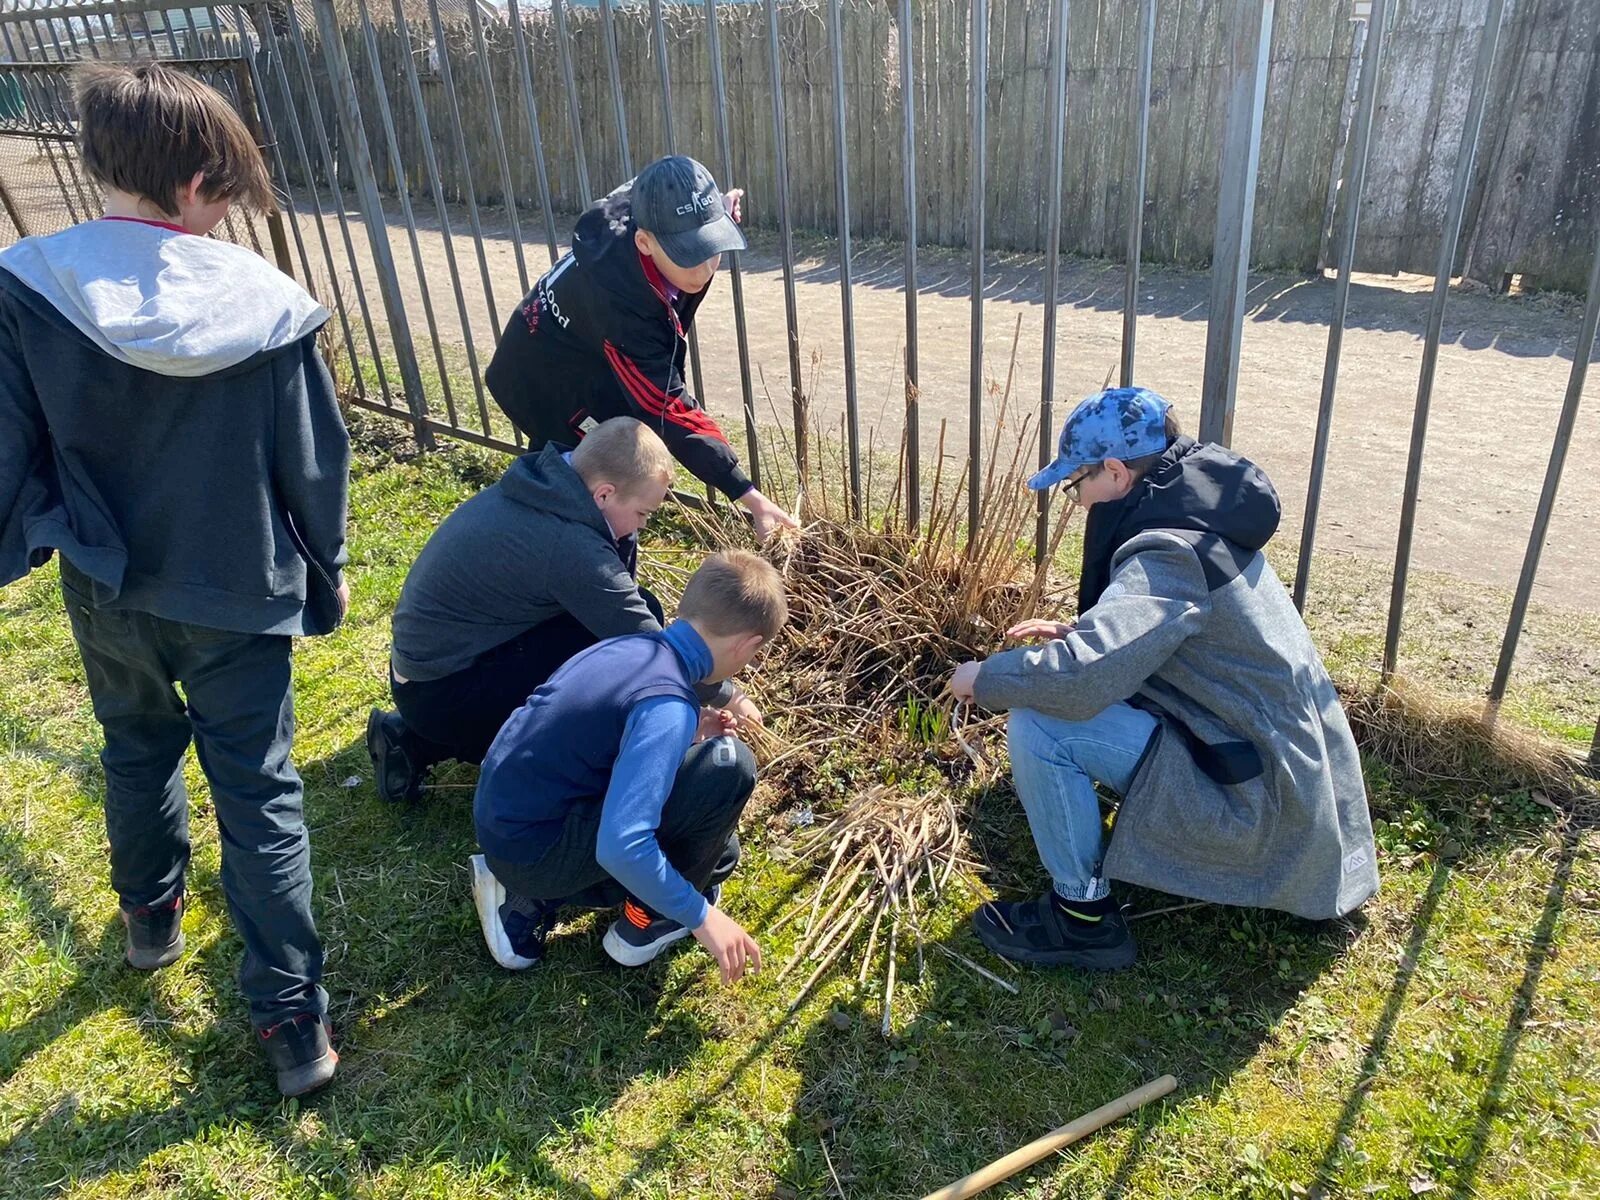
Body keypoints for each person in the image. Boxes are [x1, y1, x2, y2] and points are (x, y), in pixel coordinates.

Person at [0, 63, 349, 1094]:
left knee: (135, 742)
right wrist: (320, 569)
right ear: (197, 179)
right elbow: (313, 460)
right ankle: (292, 1024)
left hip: (106, 580)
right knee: (259, 791)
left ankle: (150, 920)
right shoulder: (269, 303)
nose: (231, 210)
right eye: (229, 188)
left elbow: (11, 444)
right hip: (238, 585)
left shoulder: (28, 283)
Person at [948, 386, 1377, 970]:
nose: (1076, 502)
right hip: (1282, 767)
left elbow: (1077, 683)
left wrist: (987, 676)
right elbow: (1173, 631)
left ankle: (1081, 921)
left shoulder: (1167, 554)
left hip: (1270, 805)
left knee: (1040, 720)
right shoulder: (1197, 516)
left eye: (1077, 485)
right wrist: (1083, 629)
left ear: (1118, 473)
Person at [365, 416, 761, 803]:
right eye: (642, 514)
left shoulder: (556, 486)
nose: (640, 527)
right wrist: (724, 696)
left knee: (628, 628)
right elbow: (650, 647)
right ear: (604, 494)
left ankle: (413, 740)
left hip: (438, 670)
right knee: (609, 685)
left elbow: (624, 602)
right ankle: (447, 744)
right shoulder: (566, 544)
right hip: (441, 692)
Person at [470, 550, 786, 981]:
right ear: (747, 645)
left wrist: (691, 729)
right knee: (730, 766)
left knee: (722, 853)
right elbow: (622, 845)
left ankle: (528, 886)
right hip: (535, 854)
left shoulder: (630, 646)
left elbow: (597, 735)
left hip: (504, 818)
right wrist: (701, 917)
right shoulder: (667, 705)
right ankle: (650, 918)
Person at [485, 154, 797, 541]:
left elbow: (696, 221)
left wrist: (722, 214)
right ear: (645, 243)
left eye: (713, 245)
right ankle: (562, 562)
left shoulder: (664, 210)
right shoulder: (621, 305)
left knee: (600, 481)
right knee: (587, 490)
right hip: (545, 374)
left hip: (594, 352)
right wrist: (747, 494)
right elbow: (665, 404)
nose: (704, 269)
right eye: (689, 254)